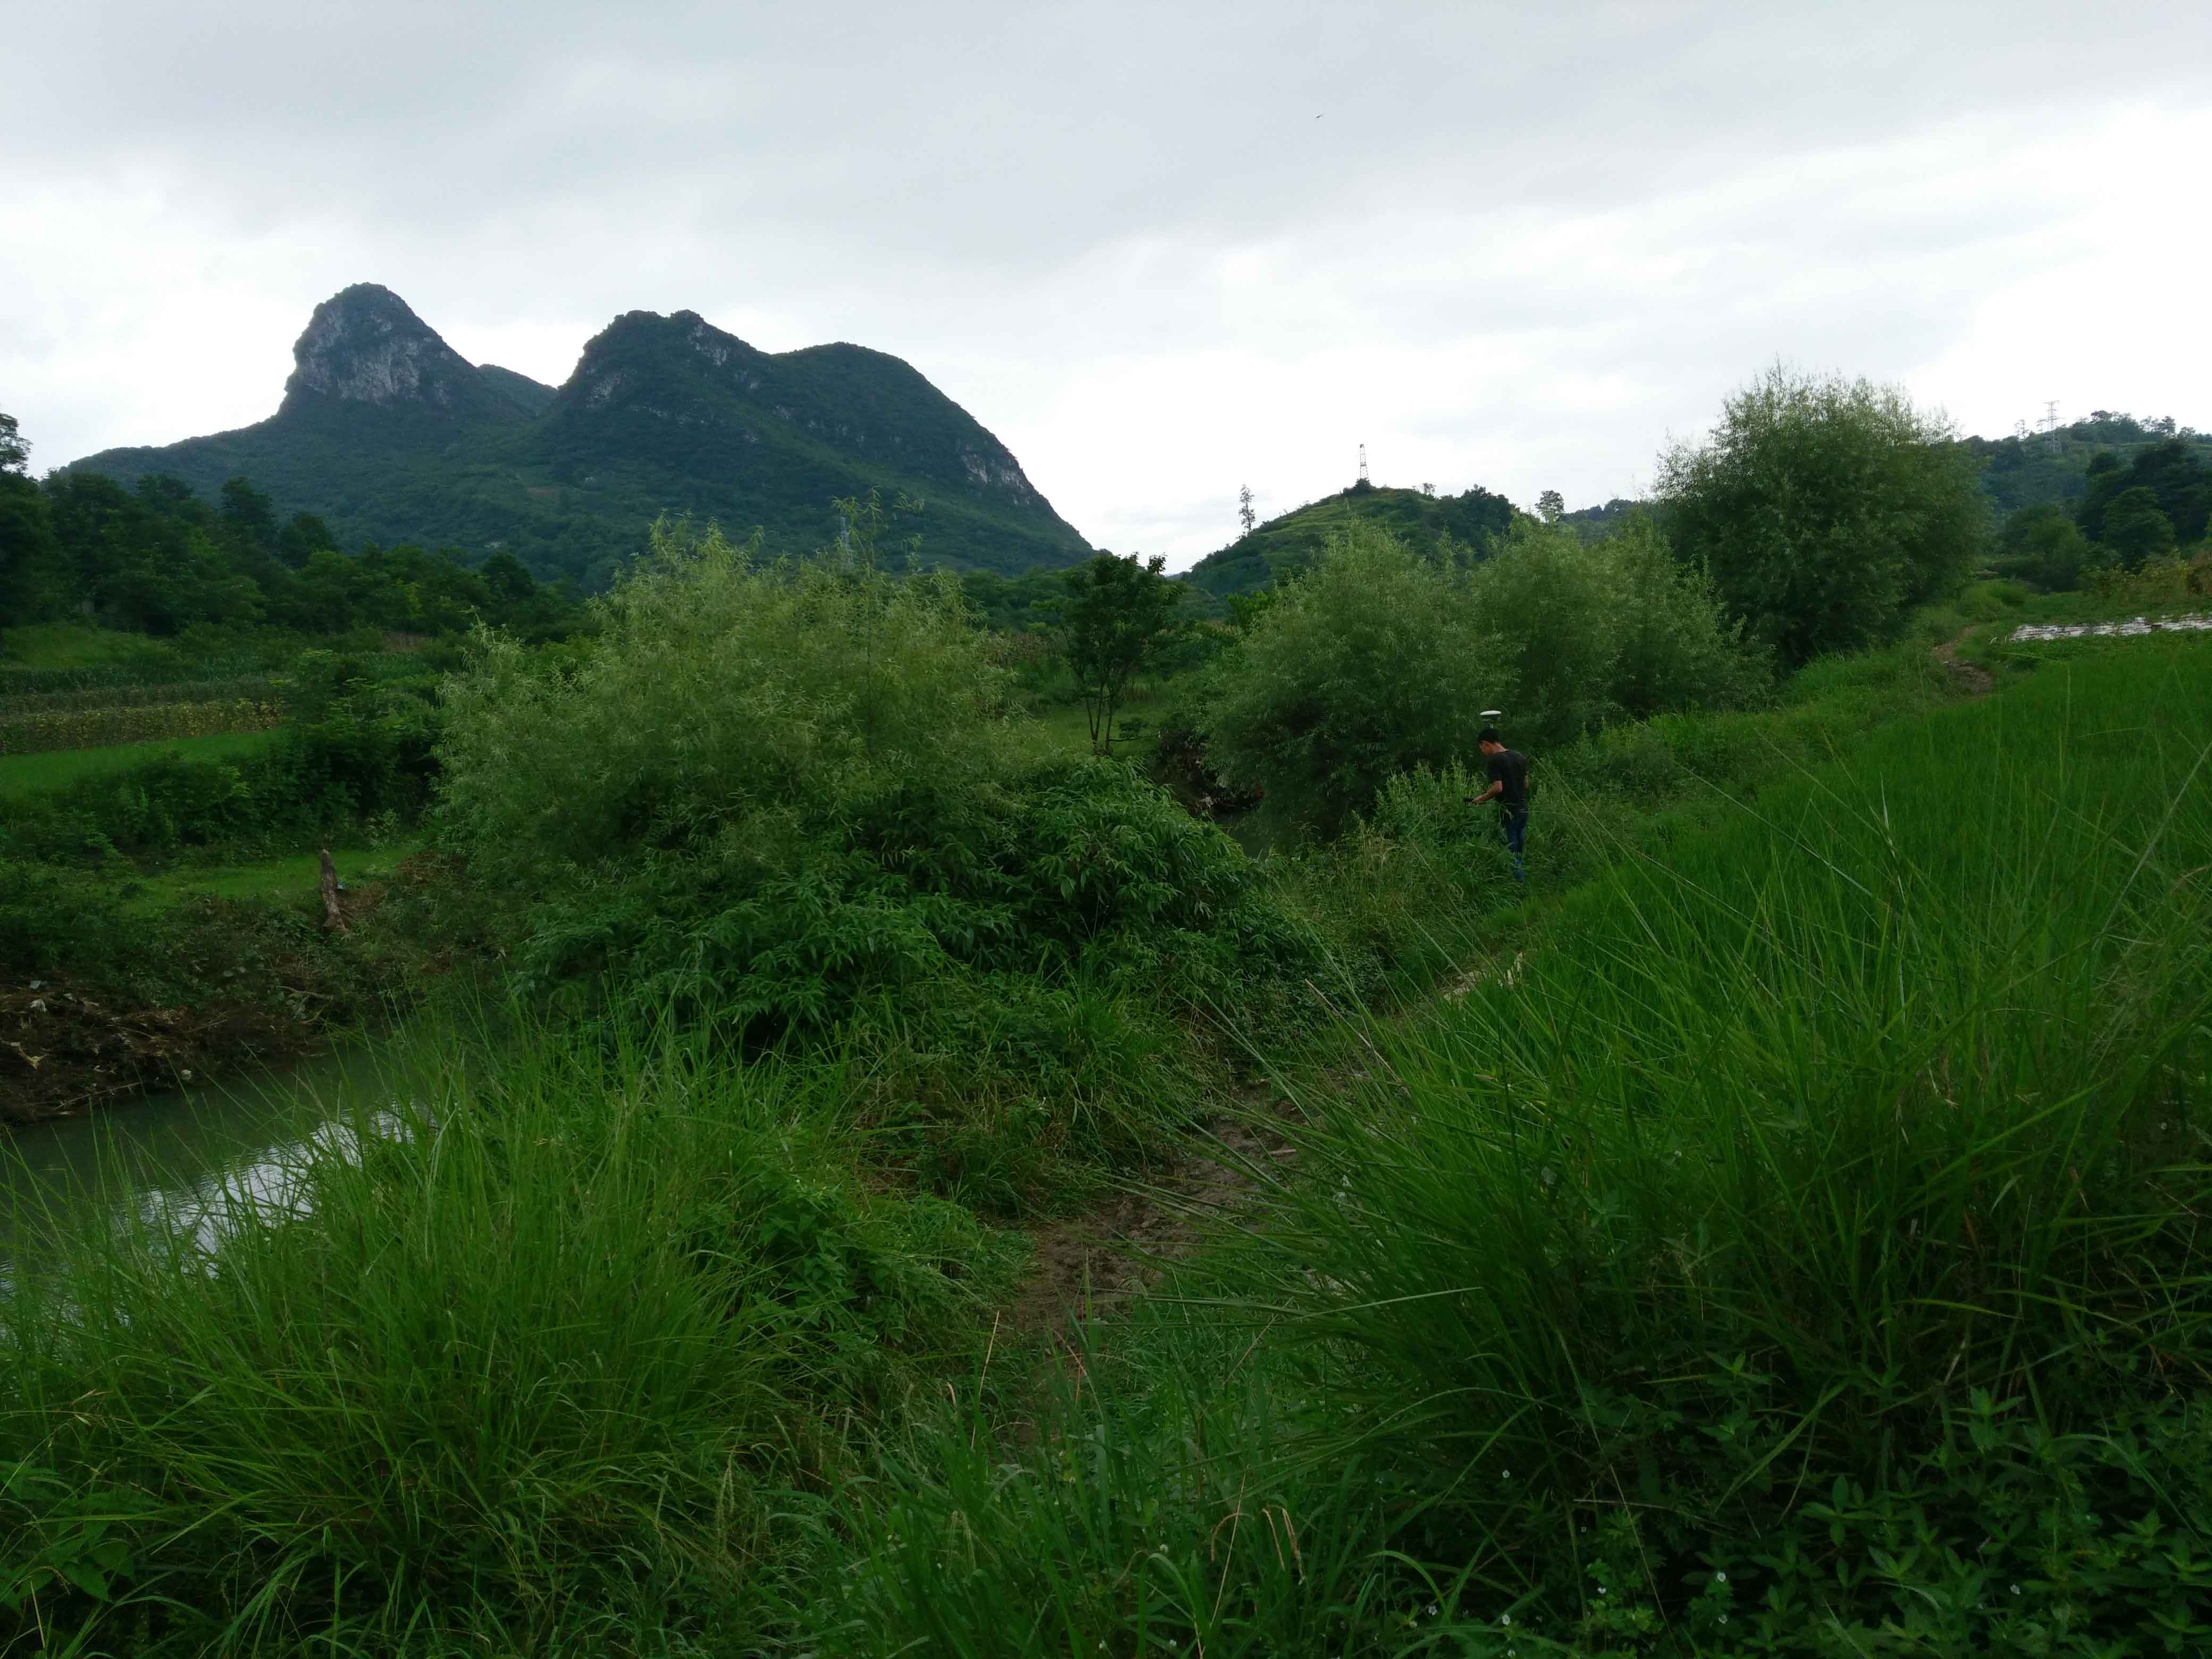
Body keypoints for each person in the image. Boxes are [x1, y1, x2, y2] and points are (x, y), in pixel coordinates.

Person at [1469, 727, 1530, 886]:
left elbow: (1498, 788)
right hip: (1524, 808)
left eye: (1481, 748)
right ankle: (1522, 881)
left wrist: (1482, 798)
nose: (1483, 752)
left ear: (1485, 744)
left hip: (1508, 811)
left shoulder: (1494, 761)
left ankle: (1519, 888)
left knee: (1511, 851)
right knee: (1519, 850)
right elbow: (1526, 784)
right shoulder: (1519, 757)